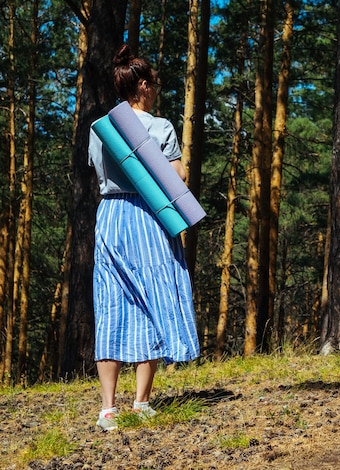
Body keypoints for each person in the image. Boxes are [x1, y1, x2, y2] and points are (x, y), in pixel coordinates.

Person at [88, 44, 200, 432]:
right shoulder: (161, 126)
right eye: (153, 82)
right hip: (149, 218)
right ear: (142, 86)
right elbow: (177, 177)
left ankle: (107, 409)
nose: (156, 88)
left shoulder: (100, 127)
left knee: (111, 304)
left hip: (111, 218)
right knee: (153, 299)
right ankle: (141, 403)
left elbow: (98, 172)